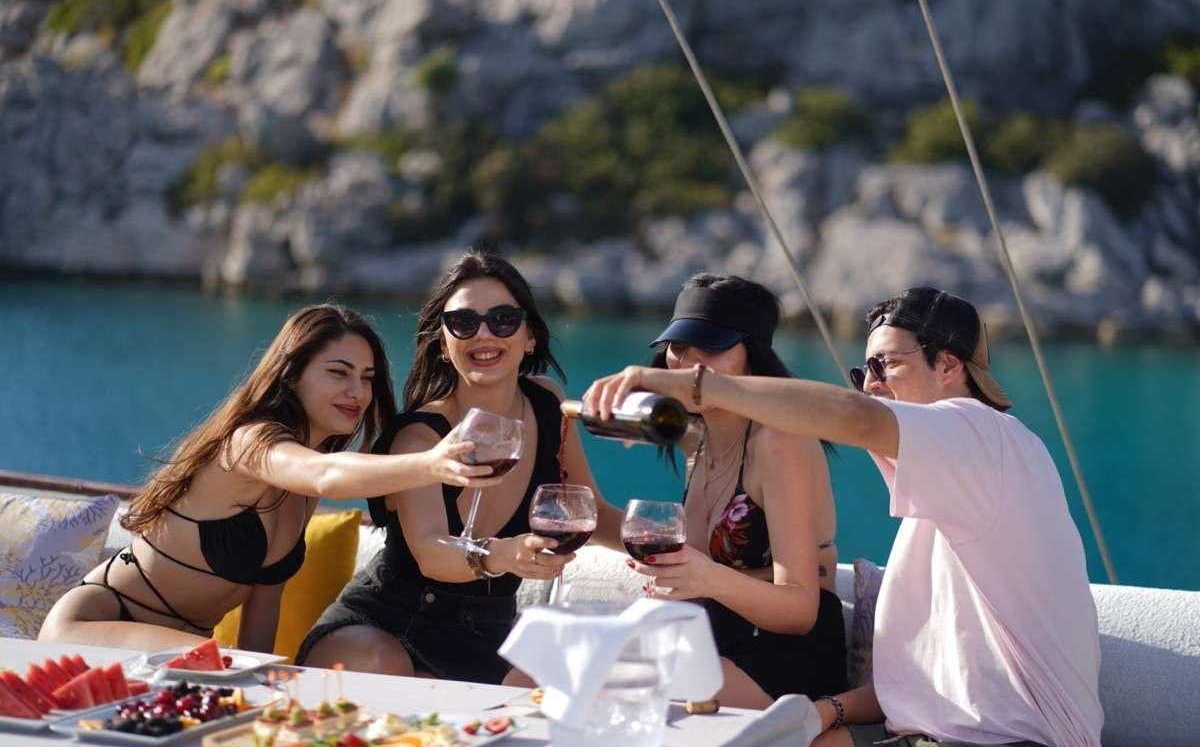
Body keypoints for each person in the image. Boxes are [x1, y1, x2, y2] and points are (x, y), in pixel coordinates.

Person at [584, 287, 1103, 747]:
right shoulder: (952, 499)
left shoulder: (981, 436)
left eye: (886, 366)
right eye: (863, 372)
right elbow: (930, 677)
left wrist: (695, 386)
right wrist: (825, 711)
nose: (871, 386)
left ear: (948, 365)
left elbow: (855, 418)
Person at [39, 304, 498, 652]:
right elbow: (324, 476)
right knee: (216, 664)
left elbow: (263, 607)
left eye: (367, 377)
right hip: (90, 627)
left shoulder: (303, 480)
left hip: (193, 652)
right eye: (338, 373)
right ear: (292, 375)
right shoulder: (249, 444)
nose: (357, 393)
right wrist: (431, 463)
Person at [297, 251, 625, 683]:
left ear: (529, 336)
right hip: (386, 628)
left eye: (503, 319)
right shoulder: (419, 436)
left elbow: (590, 513)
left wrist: (678, 553)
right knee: (389, 671)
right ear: (443, 343)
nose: (484, 334)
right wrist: (504, 555)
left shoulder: (548, 405)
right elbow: (433, 552)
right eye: (464, 323)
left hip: (487, 637)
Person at [634, 274, 846, 709]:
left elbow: (800, 610)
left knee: (635, 705)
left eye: (711, 347)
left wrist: (703, 576)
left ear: (755, 355)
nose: (690, 364)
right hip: (714, 631)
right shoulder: (698, 437)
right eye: (679, 347)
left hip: (785, 651)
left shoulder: (780, 441)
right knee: (554, 680)